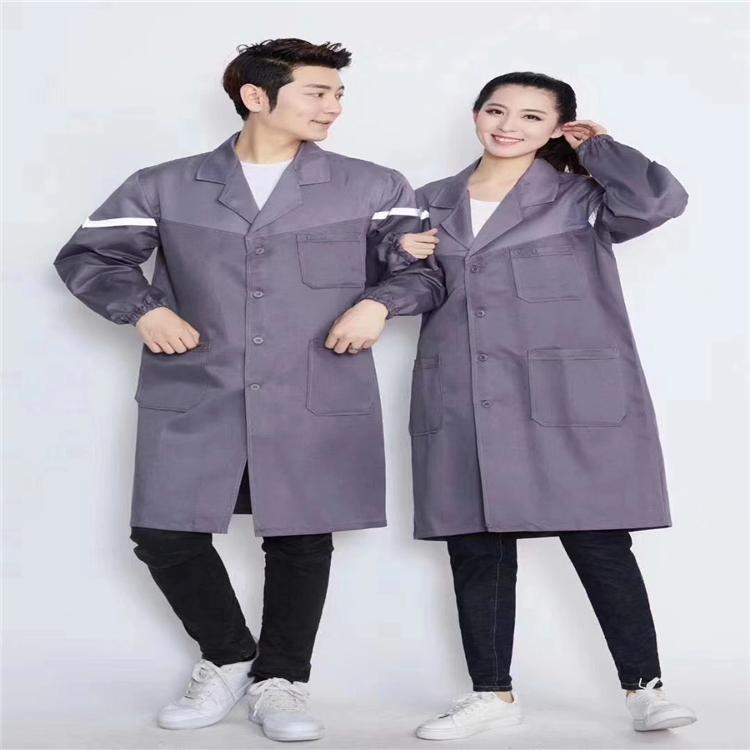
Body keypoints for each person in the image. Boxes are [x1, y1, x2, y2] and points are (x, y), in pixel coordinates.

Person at [52, 38, 443, 742]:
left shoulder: (373, 186)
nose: (333, 107)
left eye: (338, 94)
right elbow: (90, 257)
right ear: (256, 97)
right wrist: (145, 309)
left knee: (300, 534)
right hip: (197, 386)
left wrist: (379, 302)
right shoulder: (165, 184)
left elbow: (421, 270)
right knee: (163, 533)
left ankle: (282, 680)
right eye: (317, 92)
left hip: (312, 385)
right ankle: (230, 656)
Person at [335, 71, 698, 740]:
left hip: (567, 395)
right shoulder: (429, 202)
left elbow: (658, 201)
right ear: (476, 115)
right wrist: (392, 263)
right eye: (497, 110)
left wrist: (599, 148)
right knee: (476, 543)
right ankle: (491, 694)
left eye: (532, 117)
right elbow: (413, 285)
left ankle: (645, 690)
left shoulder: (582, 197)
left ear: (558, 127)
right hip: (465, 391)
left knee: (598, 538)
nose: (508, 126)